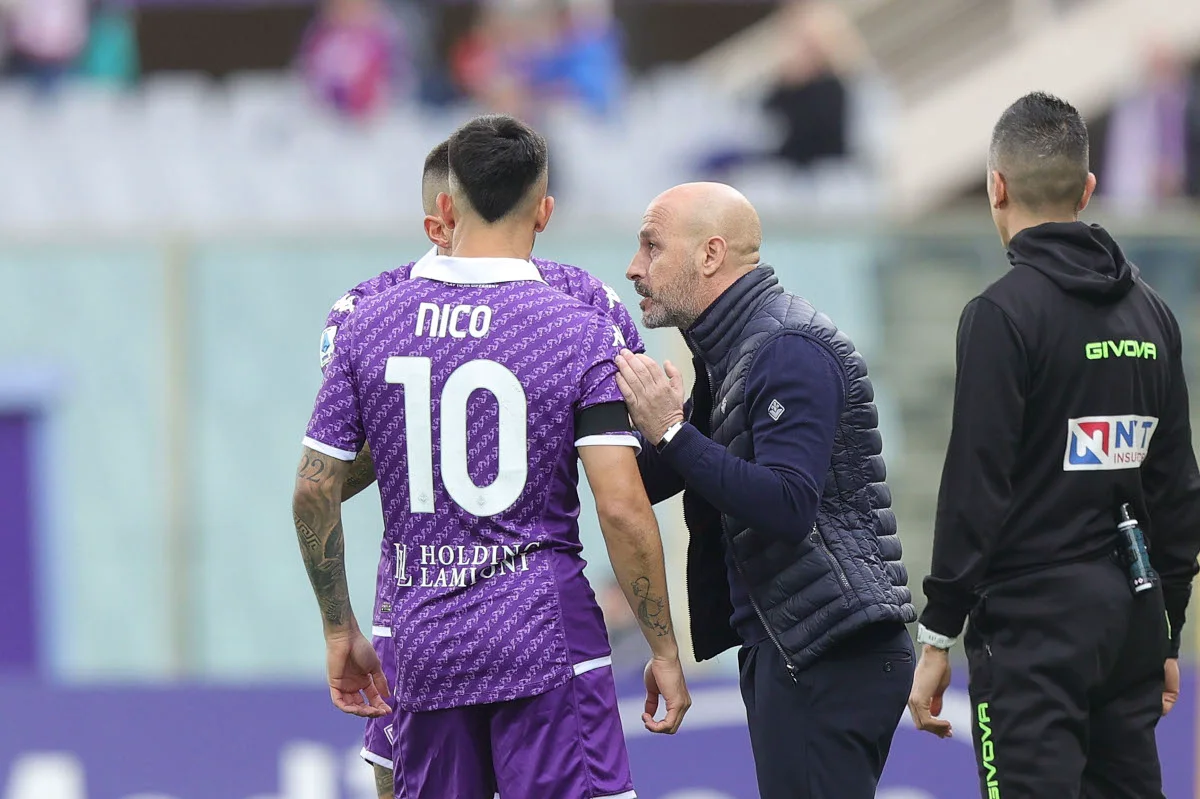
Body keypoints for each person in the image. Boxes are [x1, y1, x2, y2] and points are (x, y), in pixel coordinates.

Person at [293, 114, 690, 799]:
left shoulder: (369, 320)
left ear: (445, 208)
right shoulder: (582, 322)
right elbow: (621, 507)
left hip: (422, 637)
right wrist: (662, 646)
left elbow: (313, 490)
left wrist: (339, 627)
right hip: (544, 634)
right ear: (545, 210)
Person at [908, 92, 1200, 799]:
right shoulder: (1152, 312)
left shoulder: (1001, 316)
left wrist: (939, 632)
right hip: (1128, 617)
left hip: (1031, 636)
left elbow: (975, 488)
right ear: (1088, 189)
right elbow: (1179, 490)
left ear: (996, 187)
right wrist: (1167, 629)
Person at [614, 181, 916, 799]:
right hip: (797, 644)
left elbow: (787, 504)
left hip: (832, 649)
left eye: (651, 246)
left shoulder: (787, 347)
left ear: (710, 255)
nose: (634, 268)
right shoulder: (734, 347)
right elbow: (665, 473)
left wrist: (669, 428)